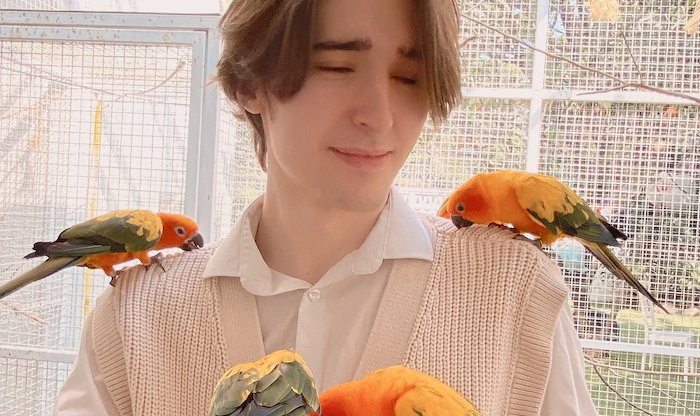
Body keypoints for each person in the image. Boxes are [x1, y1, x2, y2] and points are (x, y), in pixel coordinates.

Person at [54, 0, 598, 414]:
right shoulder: (136, 316)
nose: (380, 117)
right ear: (250, 83)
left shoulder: (514, 291)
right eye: (337, 67)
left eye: (409, 77)